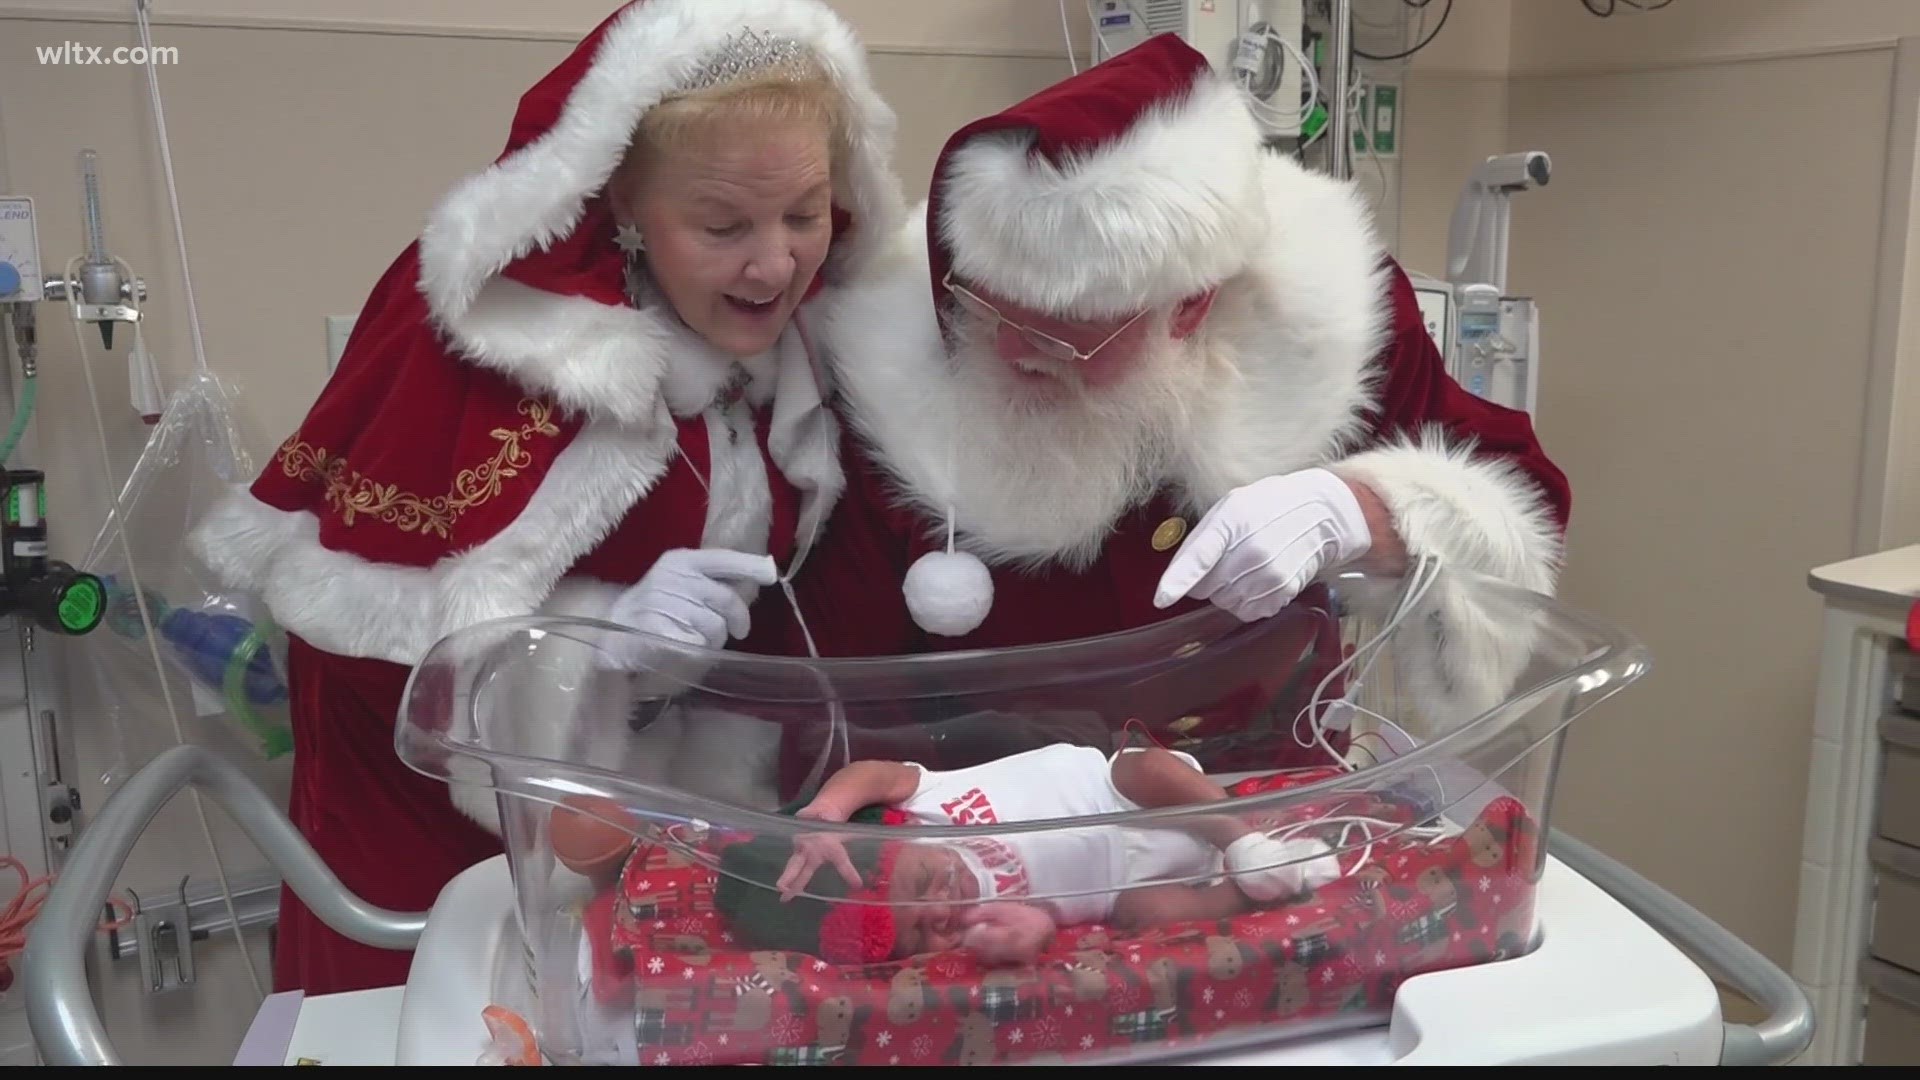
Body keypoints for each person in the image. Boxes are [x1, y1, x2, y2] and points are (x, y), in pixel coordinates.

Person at [185, 0, 905, 995]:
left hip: (652, 840)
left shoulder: (796, 340)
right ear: (619, 207)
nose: (777, 262)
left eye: (806, 213)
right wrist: (591, 641)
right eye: (723, 224)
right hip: (436, 849)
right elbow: (372, 654)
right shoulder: (498, 348)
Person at [778, 33, 1568, 777]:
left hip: (1271, 803)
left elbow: (1519, 497)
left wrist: (1361, 511)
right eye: (991, 312)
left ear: (1190, 307)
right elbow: (834, 695)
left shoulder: (1318, 320)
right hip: (1001, 836)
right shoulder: (894, 361)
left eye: (1067, 339)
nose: (1016, 352)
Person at [712, 742, 1344, 966]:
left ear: (896, 833)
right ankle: (1257, 887)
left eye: (927, 879)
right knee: (1147, 916)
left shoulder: (926, 800)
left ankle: (1245, 842)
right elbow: (1035, 928)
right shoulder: (967, 930)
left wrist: (826, 815)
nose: (942, 908)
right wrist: (1032, 931)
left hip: (1124, 794)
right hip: (1120, 884)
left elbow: (873, 771)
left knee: (1143, 764)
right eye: (919, 930)